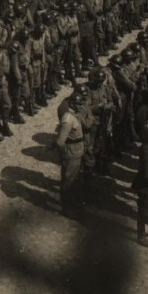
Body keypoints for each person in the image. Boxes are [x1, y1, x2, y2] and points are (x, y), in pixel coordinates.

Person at [54, 88, 87, 219]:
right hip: (71, 153)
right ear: (72, 104)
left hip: (76, 151)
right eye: (78, 104)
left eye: (81, 104)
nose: (80, 106)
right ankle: (66, 207)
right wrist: (65, 155)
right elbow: (60, 141)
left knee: (73, 180)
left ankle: (72, 203)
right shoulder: (68, 119)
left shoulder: (75, 115)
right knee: (68, 181)